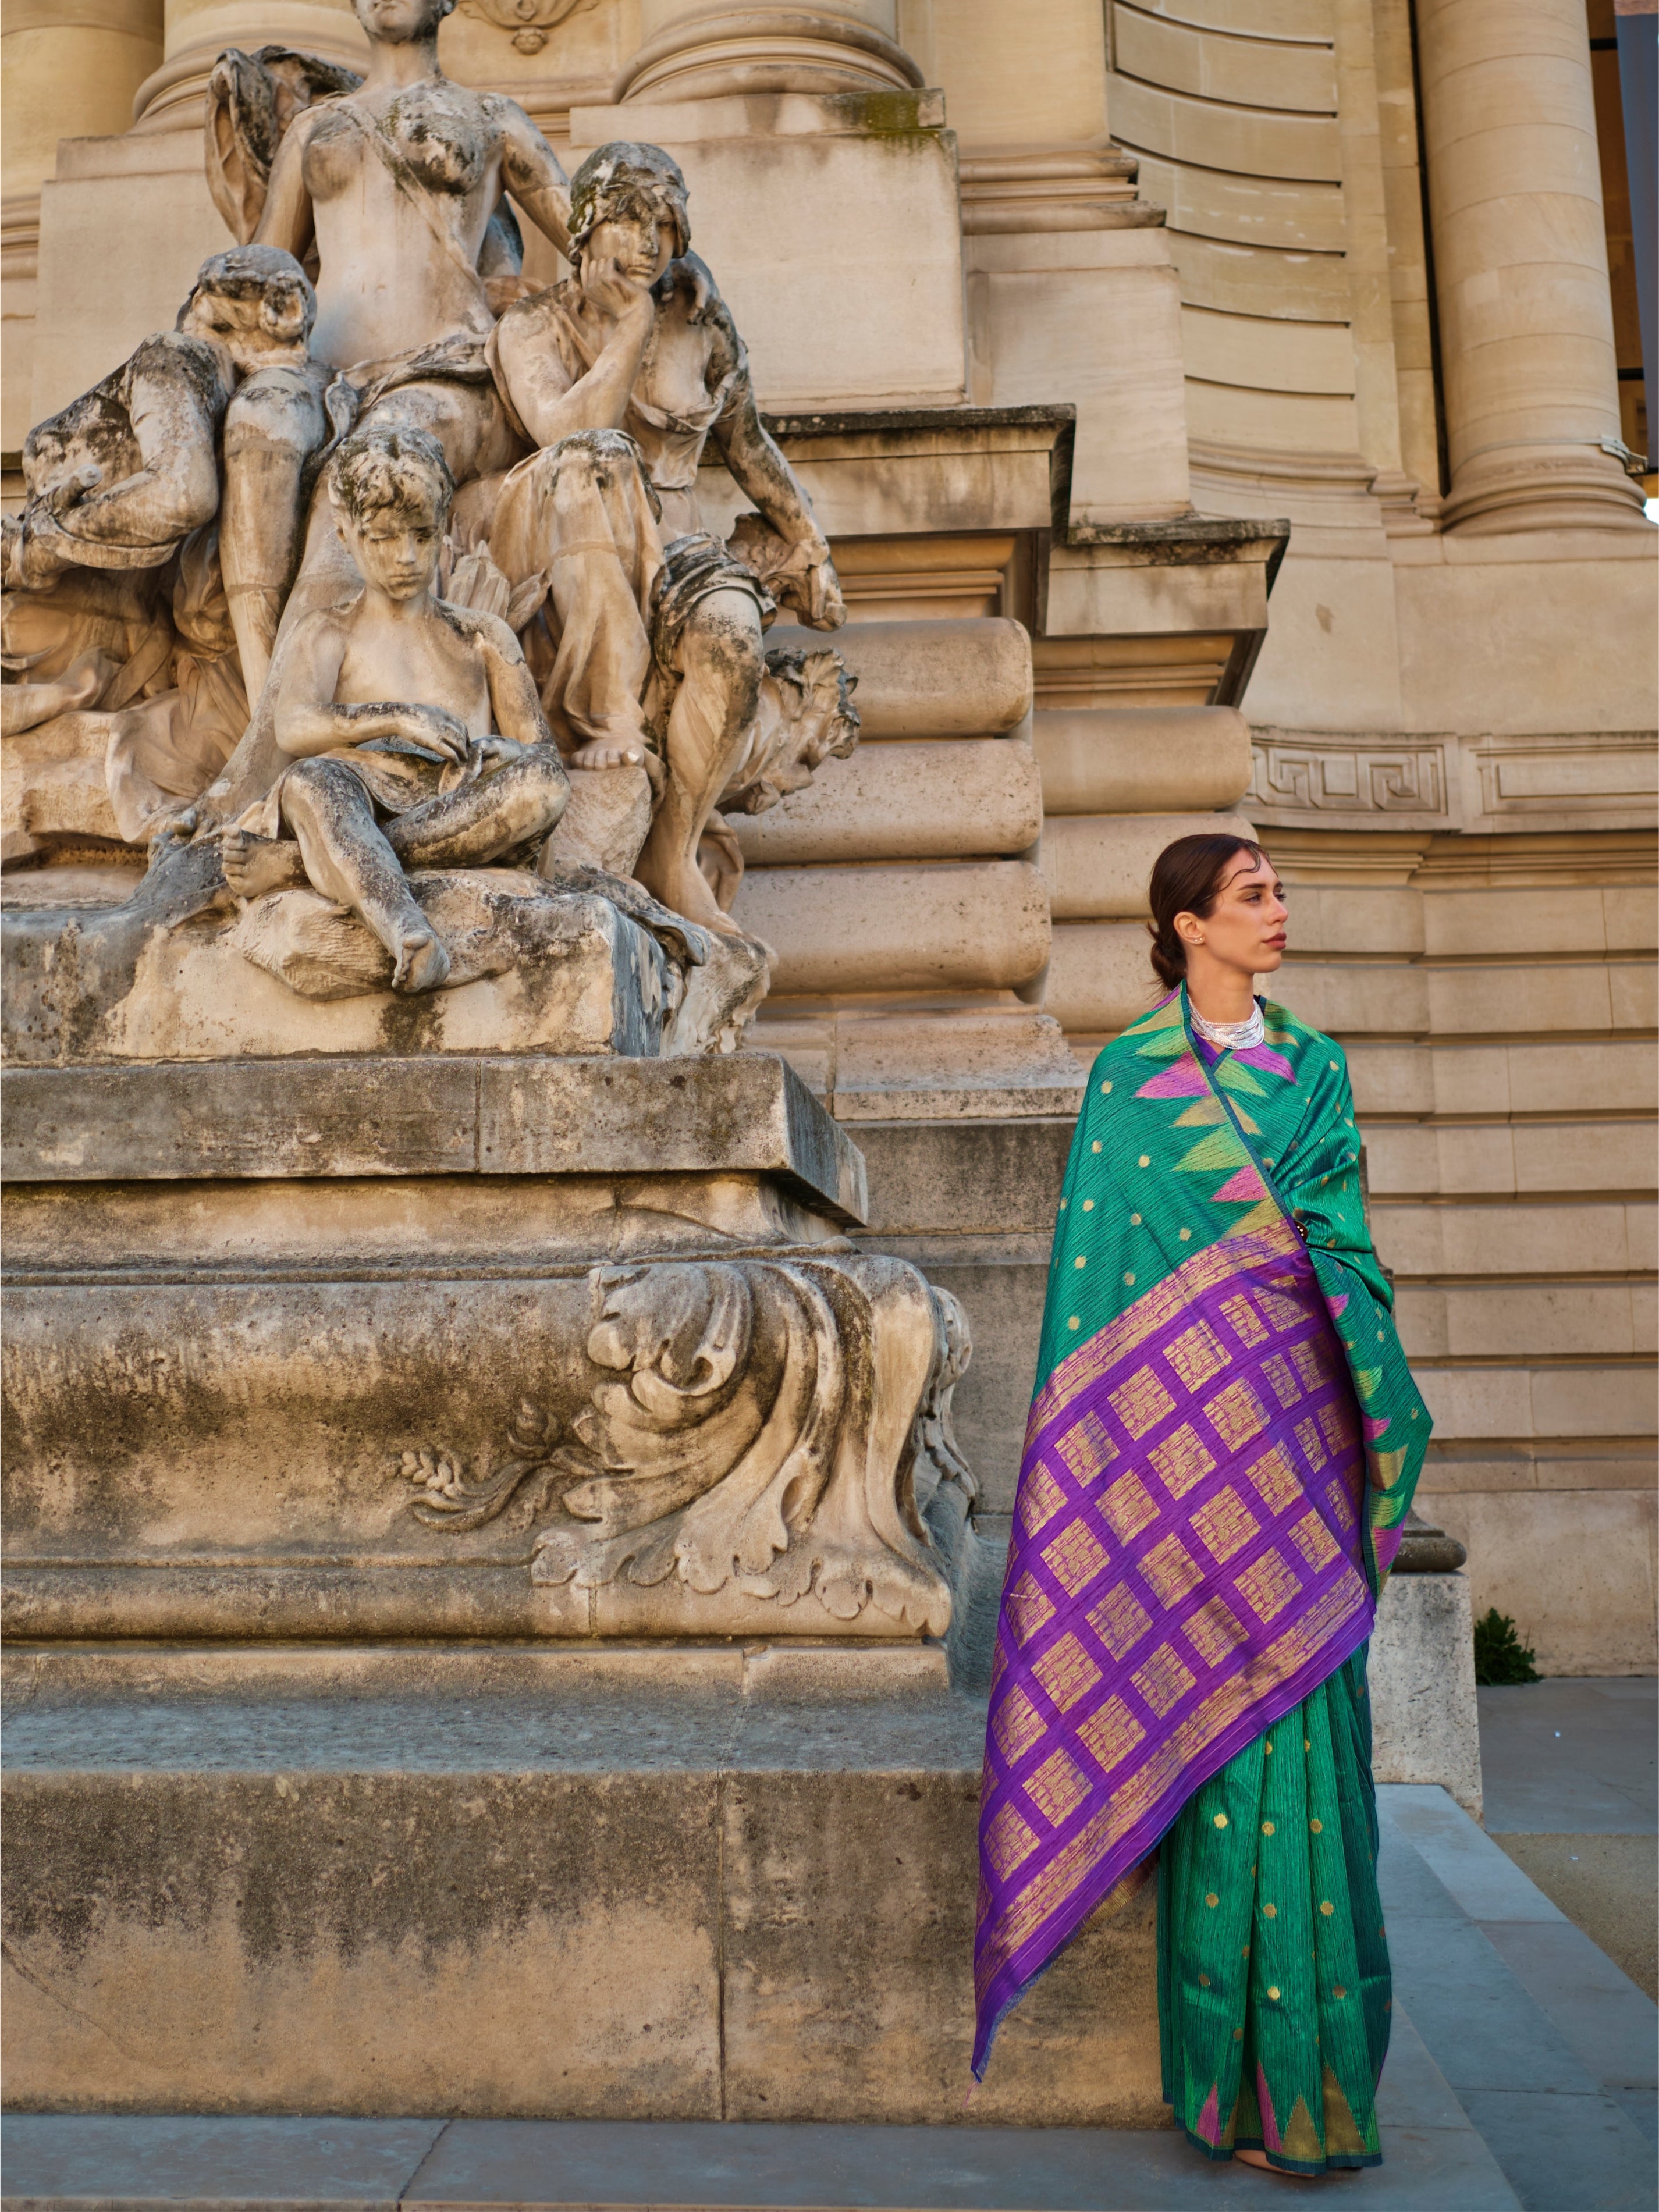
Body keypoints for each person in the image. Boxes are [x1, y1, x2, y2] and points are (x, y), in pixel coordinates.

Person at [972, 833, 1431, 2178]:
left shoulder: (1318, 1070)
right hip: (1181, 1473)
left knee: (1312, 1754)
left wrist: (1296, 1273)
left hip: (1297, 1436)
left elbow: (1347, 1240)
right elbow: (1095, 1295)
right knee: (1219, 1755)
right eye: (1252, 896)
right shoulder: (1129, 1081)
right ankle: (1230, 2097)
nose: (1279, 912)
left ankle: (1325, 2093)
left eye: (1278, 891)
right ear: (1184, 926)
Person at [482, 139, 845, 930]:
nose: (648, 244)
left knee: (733, 635)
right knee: (595, 459)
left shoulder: (702, 329)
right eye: (628, 221)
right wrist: (631, 326)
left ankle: (672, 852)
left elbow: (747, 445)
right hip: (559, 542)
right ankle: (611, 714)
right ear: (583, 227)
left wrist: (807, 539)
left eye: (665, 226)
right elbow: (562, 430)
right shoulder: (531, 326)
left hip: (676, 553)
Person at [219, 422, 567, 993]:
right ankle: (407, 931)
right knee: (310, 781)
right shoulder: (327, 631)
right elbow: (293, 724)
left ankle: (300, 862)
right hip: (358, 796)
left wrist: (498, 753)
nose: (405, 556)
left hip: (455, 804)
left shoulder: (482, 635)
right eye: (381, 538)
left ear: (444, 528)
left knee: (546, 785)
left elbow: (539, 750)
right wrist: (397, 716)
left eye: (422, 535)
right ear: (345, 533)